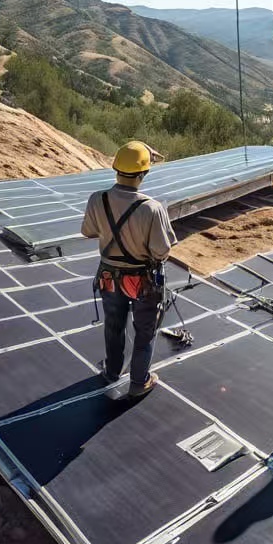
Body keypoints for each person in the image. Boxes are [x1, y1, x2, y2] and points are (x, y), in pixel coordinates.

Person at [80, 141, 177, 398]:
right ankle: (139, 381)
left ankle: (112, 372)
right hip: (143, 279)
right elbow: (162, 252)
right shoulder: (152, 208)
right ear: (143, 174)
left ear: (116, 168)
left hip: (110, 276)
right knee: (145, 331)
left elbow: (88, 231)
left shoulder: (97, 199)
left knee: (114, 326)